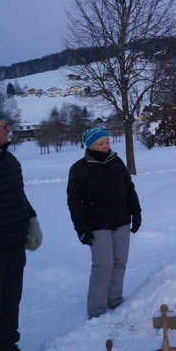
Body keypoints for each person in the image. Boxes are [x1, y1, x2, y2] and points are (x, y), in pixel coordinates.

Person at [0, 103, 43, 351]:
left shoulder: (7, 157)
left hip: (14, 244)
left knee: (10, 303)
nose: (9, 128)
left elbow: (17, 194)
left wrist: (31, 220)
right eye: (3, 125)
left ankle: (8, 346)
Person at [67, 127, 142, 319]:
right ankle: (96, 310)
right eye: (100, 144)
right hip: (97, 225)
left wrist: (136, 213)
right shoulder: (79, 168)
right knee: (103, 265)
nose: (105, 147)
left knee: (119, 263)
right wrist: (81, 228)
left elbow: (129, 189)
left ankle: (115, 300)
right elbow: (74, 202)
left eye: (107, 142)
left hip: (121, 221)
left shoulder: (116, 162)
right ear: (91, 145)